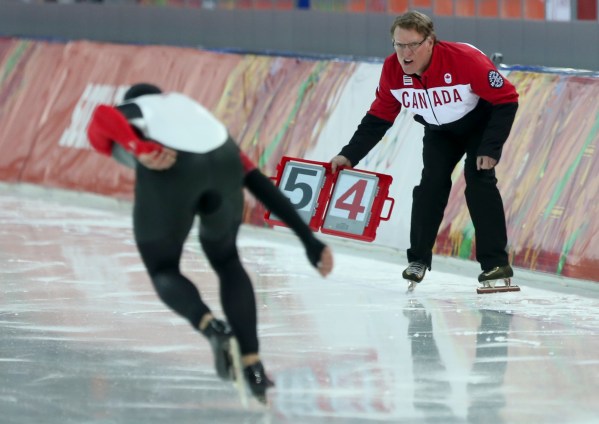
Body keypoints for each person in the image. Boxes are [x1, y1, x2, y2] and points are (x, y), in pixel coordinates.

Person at [87, 83, 334, 403]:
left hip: (172, 168)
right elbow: (257, 181)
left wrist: (139, 147)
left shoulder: (139, 108)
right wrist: (309, 241)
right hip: (224, 160)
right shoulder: (192, 114)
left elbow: (101, 117)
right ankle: (253, 365)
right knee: (227, 260)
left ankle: (212, 328)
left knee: (162, 266)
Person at [330, 11, 518, 289]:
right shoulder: (393, 70)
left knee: (479, 182)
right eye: (398, 45)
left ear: (430, 42)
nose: (405, 53)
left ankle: (496, 264)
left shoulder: (464, 60)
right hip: (439, 130)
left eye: (412, 45)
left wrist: (490, 148)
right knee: (430, 185)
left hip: (480, 121)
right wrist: (348, 155)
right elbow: (378, 118)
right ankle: (418, 260)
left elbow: (507, 99)